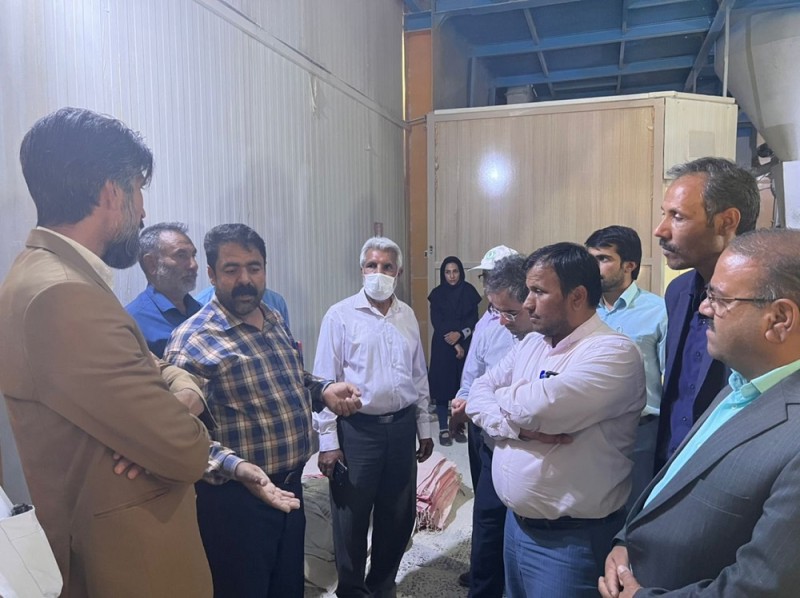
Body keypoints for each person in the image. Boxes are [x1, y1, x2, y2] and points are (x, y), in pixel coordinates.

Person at [0, 107, 214, 596]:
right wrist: (177, 417)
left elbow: (159, 368)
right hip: (133, 568)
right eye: (138, 190)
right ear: (112, 193)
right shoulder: (63, 295)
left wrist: (178, 395)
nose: (143, 212)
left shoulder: (44, 275)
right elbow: (186, 450)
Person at [163, 223, 362, 598]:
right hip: (235, 501)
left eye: (254, 267)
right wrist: (237, 468)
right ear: (212, 274)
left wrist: (323, 390)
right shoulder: (194, 339)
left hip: (289, 488)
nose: (245, 280)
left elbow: (290, 378)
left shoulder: (272, 318)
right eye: (232, 269)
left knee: (287, 586)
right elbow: (179, 435)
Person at [600, 228, 800, 598]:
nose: (703, 309)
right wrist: (626, 540)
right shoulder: (740, 383)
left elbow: (759, 587)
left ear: (779, 319)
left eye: (720, 299)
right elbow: (674, 485)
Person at [467, 242, 645, 598]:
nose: (527, 303)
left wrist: (507, 399)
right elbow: (478, 391)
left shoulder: (614, 352)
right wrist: (514, 426)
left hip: (569, 542)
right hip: (516, 527)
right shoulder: (533, 343)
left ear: (577, 296)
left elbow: (537, 409)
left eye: (538, 291)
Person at [314, 236, 435, 598]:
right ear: (361, 270)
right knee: (350, 518)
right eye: (372, 265)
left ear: (398, 272)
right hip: (357, 430)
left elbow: (418, 375)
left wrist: (425, 427)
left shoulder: (407, 315)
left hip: (401, 428)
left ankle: (381, 585)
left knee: (398, 516)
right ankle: (352, 591)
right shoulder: (340, 315)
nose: (378, 272)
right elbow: (324, 382)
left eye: (387, 266)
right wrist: (328, 442)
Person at [653, 157, 760, 471]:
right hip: (671, 465)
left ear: (727, 222)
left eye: (678, 216)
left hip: (732, 472)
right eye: (664, 214)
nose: (660, 230)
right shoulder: (677, 291)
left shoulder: (769, 298)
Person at [451, 254, 535, 598]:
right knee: (487, 522)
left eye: (510, 312)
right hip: (491, 442)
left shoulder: (548, 340)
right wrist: (466, 403)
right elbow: (476, 383)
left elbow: (535, 406)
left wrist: (489, 405)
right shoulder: (490, 328)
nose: (501, 319)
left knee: (523, 533)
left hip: (535, 457)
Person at [586, 225, 667, 505]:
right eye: (591, 258)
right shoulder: (582, 309)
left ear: (629, 265)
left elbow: (670, 375)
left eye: (603, 259)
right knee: (590, 509)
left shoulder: (658, 311)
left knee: (633, 510)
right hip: (585, 428)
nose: (593, 267)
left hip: (639, 432)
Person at [126, 222, 202, 357]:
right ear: (151, 264)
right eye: (181, 255)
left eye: (193, 256)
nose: (194, 265)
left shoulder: (202, 310)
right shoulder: (131, 322)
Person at [428, 256, 481, 445]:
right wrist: (454, 343)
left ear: (461, 272)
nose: (452, 276)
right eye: (448, 272)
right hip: (443, 345)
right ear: (443, 274)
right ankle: (443, 427)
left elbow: (473, 320)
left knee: (462, 385)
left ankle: (458, 426)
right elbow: (438, 322)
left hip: (465, 343)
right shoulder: (437, 294)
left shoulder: (469, 292)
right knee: (443, 386)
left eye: (455, 271)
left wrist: (460, 335)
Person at [195, 284, 291, 330]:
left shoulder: (276, 303)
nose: (244, 279)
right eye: (232, 270)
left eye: (253, 269)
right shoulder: (200, 305)